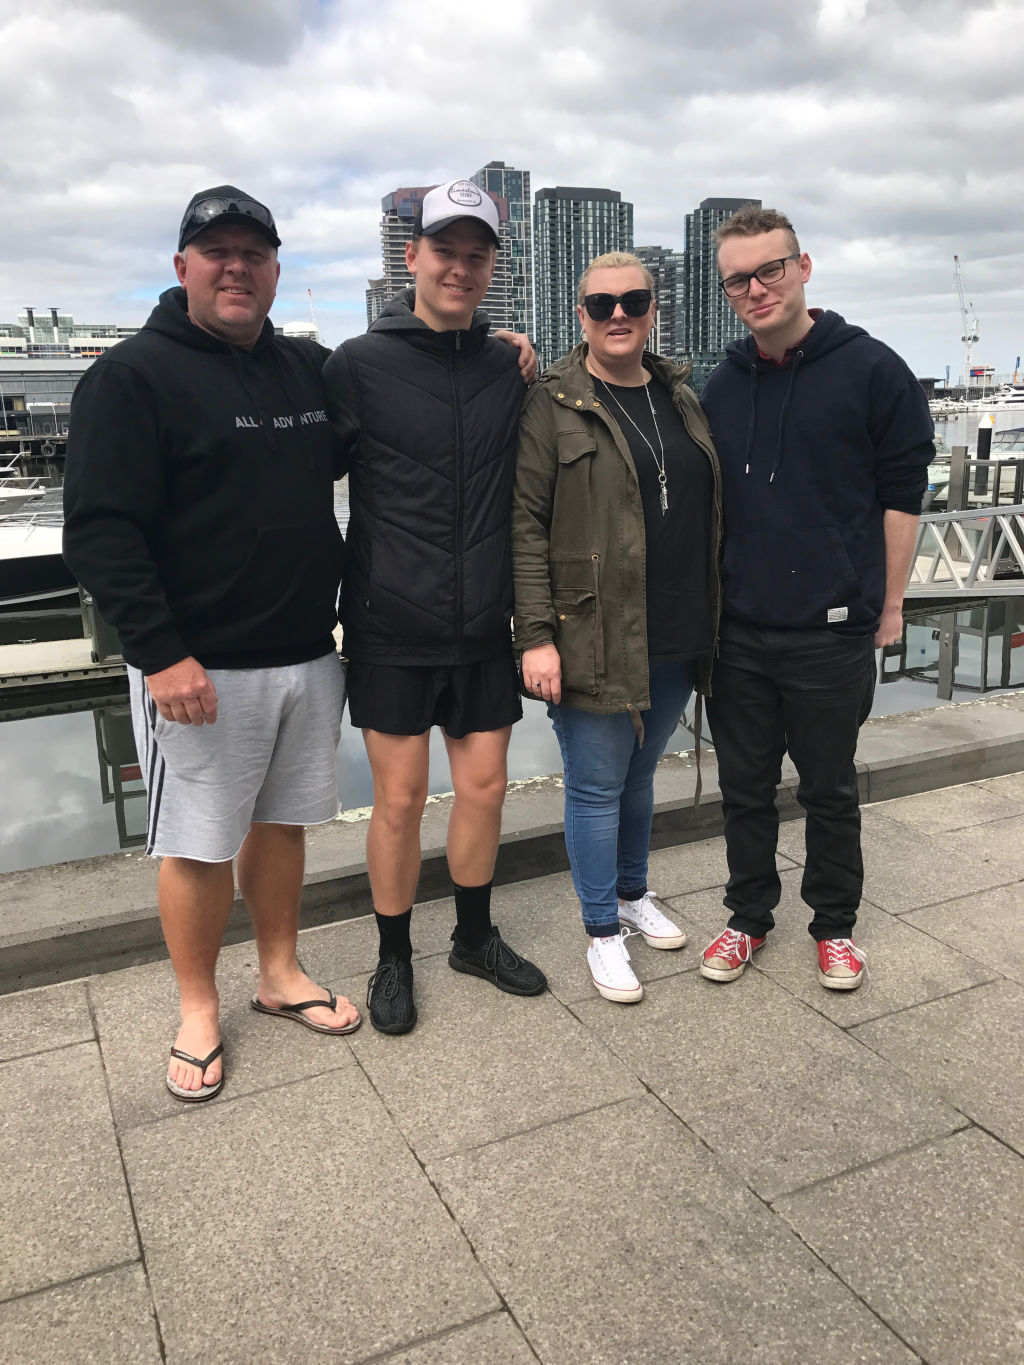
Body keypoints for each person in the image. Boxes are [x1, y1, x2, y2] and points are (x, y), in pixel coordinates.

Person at [62, 185, 361, 1103]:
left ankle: (279, 972)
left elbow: (378, 432)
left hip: (307, 650)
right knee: (194, 843)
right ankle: (198, 1004)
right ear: (183, 266)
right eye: (217, 252)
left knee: (278, 826)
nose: (237, 268)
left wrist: (502, 353)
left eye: (254, 253)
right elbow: (101, 530)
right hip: (199, 666)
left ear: (276, 271)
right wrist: (159, 653)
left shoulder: (305, 370)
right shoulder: (131, 375)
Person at [323, 179, 547, 1035]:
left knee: (486, 787)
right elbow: (299, 482)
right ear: (409, 256)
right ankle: (392, 955)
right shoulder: (355, 364)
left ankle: (474, 937)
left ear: (492, 266)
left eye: (476, 254)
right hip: (390, 623)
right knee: (400, 801)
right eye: (443, 251)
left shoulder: (508, 365)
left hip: (484, 623)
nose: (459, 267)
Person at [699, 206, 933, 990]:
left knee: (830, 790)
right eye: (740, 278)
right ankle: (747, 917)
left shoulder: (873, 370)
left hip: (832, 629)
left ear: (804, 267)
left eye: (771, 269)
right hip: (738, 632)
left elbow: (904, 497)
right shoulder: (722, 384)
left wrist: (890, 604)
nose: (757, 288)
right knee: (744, 790)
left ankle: (835, 926)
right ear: (727, 291)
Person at [512, 252, 722, 1003]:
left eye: (633, 299)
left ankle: (633, 893)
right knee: (596, 786)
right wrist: (535, 635)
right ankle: (602, 929)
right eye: (601, 304)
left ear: (653, 306)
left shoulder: (680, 394)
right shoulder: (553, 402)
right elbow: (525, 526)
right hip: (590, 631)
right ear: (581, 316)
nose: (618, 314)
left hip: (675, 626)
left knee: (638, 778)